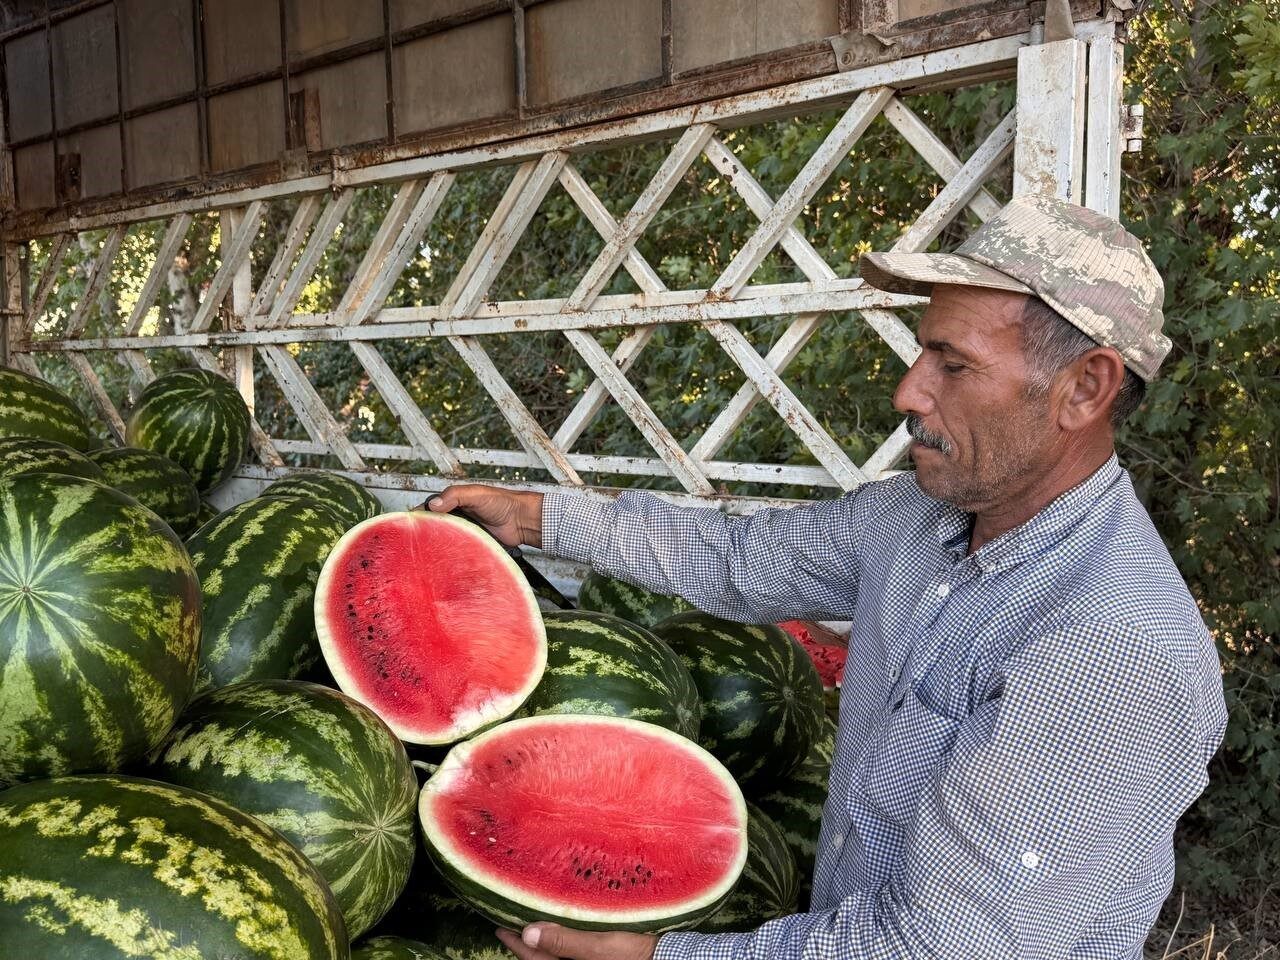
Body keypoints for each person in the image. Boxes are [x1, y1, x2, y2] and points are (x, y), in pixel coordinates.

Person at [428, 194, 1228, 960]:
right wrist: (537, 519)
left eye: (952, 365)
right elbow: (740, 559)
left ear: (1084, 388)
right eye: (923, 352)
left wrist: (661, 958)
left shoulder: (1114, 651)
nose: (908, 391)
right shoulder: (913, 518)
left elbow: (937, 951)